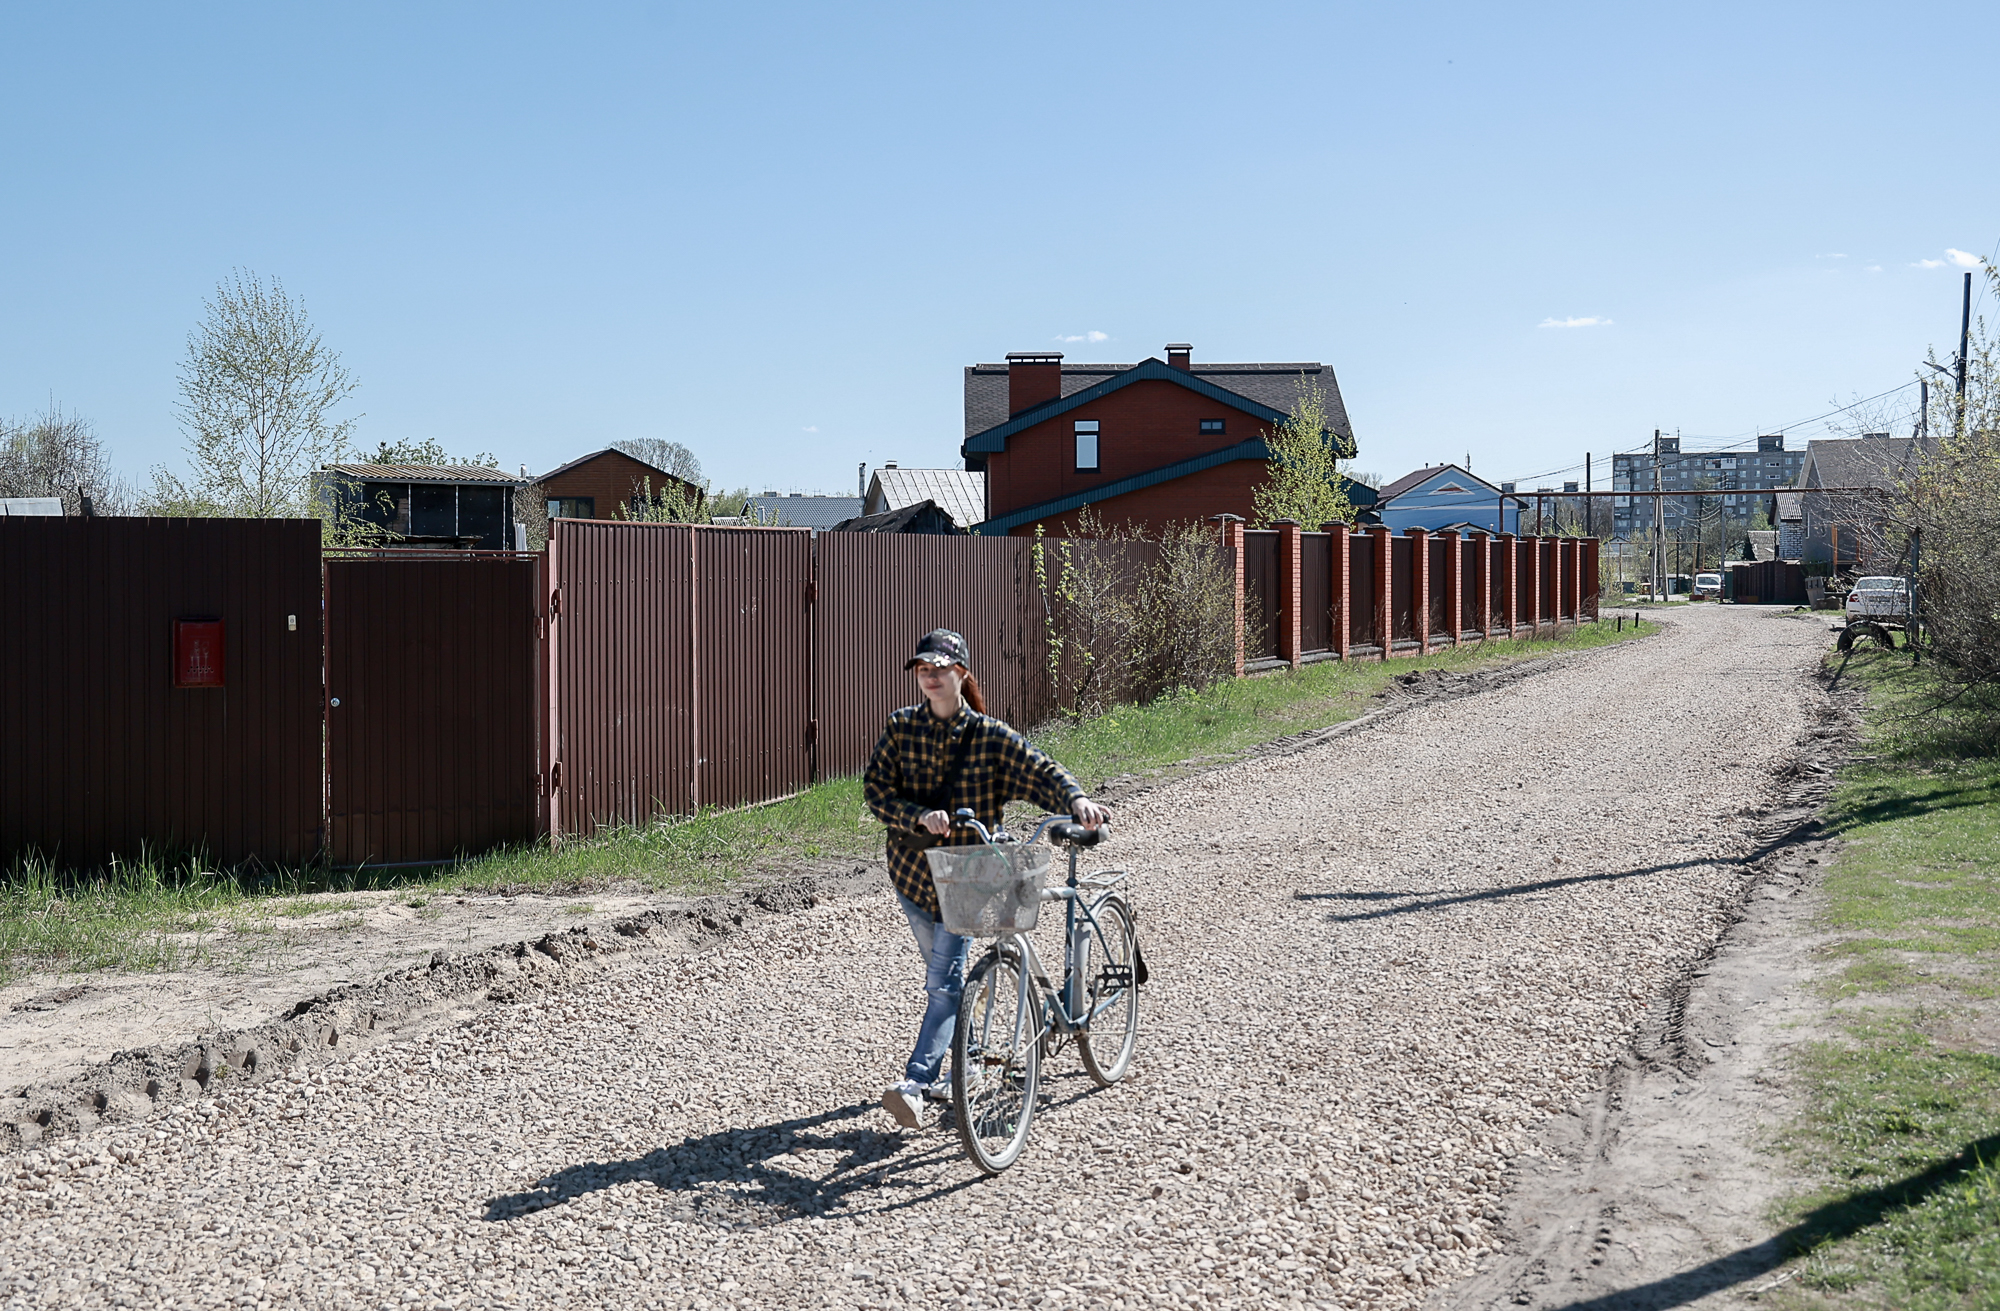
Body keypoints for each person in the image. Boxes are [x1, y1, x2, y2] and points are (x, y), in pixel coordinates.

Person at [862, 627, 1110, 1129]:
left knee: (943, 983)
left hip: (973, 877)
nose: (930, 677)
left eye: (940, 669)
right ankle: (969, 1061)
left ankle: (916, 1082)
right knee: (945, 982)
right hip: (913, 876)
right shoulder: (901, 728)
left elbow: (1042, 771)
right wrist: (916, 815)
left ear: (962, 674)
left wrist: (1076, 800)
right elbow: (875, 791)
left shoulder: (991, 738)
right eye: (923, 670)